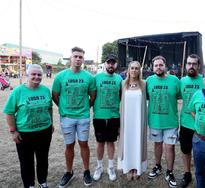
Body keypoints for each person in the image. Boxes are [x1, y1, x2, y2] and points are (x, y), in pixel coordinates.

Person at [3, 64, 53, 188]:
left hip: (44, 131)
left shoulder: (45, 90)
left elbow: (50, 107)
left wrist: (51, 123)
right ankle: (29, 184)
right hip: (25, 133)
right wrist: (13, 131)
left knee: (43, 159)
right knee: (26, 162)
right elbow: (9, 112)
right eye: (33, 74)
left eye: (39, 74)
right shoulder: (18, 92)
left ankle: (42, 181)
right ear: (27, 75)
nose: (36, 77)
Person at [52, 47, 96, 187]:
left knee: (84, 144)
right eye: (75, 56)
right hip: (67, 117)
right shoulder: (60, 76)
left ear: (83, 59)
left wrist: (85, 107)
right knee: (69, 145)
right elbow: (55, 95)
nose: (78, 59)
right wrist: (63, 107)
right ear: (70, 58)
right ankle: (69, 172)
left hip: (83, 116)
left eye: (80, 57)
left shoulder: (89, 77)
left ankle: (86, 171)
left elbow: (93, 95)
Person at [146, 55, 180, 188]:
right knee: (157, 145)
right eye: (156, 65)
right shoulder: (148, 81)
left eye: (161, 65)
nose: (158, 67)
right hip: (155, 121)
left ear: (165, 66)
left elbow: (179, 96)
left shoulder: (175, 80)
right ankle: (157, 166)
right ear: (152, 67)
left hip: (170, 122)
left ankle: (170, 171)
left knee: (170, 146)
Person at [92, 54, 122, 182]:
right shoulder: (97, 78)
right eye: (109, 63)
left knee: (111, 142)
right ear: (105, 64)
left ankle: (110, 167)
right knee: (100, 142)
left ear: (115, 65)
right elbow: (92, 95)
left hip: (113, 116)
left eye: (113, 63)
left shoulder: (119, 79)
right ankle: (99, 167)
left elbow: (121, 96)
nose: (111, 65)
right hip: (99, 116)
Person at [117, 61, 147, 180]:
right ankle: (128, 168)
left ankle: (137, 168)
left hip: (139, 120)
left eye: (136, 68)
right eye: (132, 68)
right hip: (127, 120)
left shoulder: (144, 84)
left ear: (140, 70)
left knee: (137, 143)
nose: (134, 70)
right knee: (128, 143)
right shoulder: (123, 83)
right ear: (128, 70)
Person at [179, 54, 204, 188]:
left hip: (202, 125)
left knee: (201, 153)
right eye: (189, 63)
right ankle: (187, 174)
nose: (191, 66)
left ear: (199, 66)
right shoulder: (181, 81)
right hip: (185, 123)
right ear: (185, 65)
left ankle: (202, 176)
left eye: (194, 64)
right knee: (185, 150)